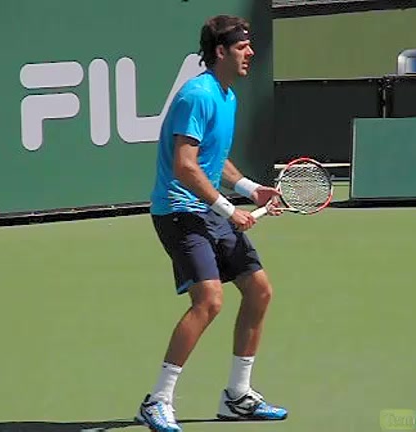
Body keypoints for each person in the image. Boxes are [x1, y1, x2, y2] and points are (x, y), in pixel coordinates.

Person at [135, 14, 288, 432]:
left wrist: (251, 189)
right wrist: (227, 209)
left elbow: (213, 161)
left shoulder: (227, 96)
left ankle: (237, 396)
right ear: (220, 52)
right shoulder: (197, 95)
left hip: (207, 210)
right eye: (241, 47)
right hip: (179, 212)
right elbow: (185, 166)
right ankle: (157, 400)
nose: (251, 52)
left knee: (259, 291)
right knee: (209, 301)